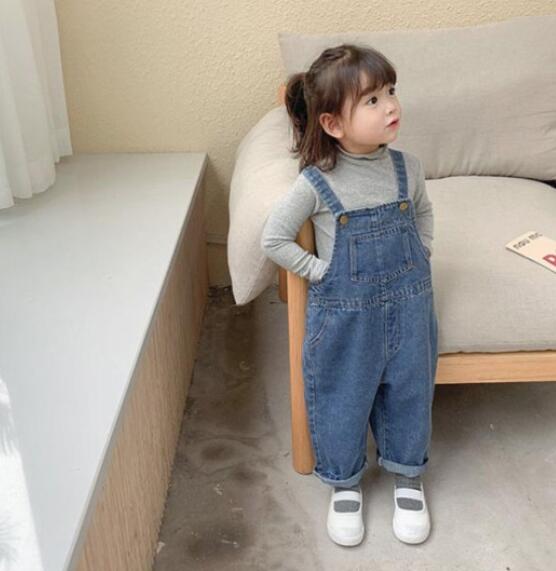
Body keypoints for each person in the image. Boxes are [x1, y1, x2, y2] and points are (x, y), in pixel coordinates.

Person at [260, 44, 439, 547]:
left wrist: (423, 250)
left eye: (391, 92)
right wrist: (319, 271)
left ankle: (407, 474)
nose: (391, 106)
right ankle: (344, 481)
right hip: (345, 318)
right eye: (373, 100)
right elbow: (274, 238)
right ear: (333, 124)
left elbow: (424, 212)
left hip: (410, 308)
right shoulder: (317, 182)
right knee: (342, 395)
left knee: (410, 391)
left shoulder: (408, 168)